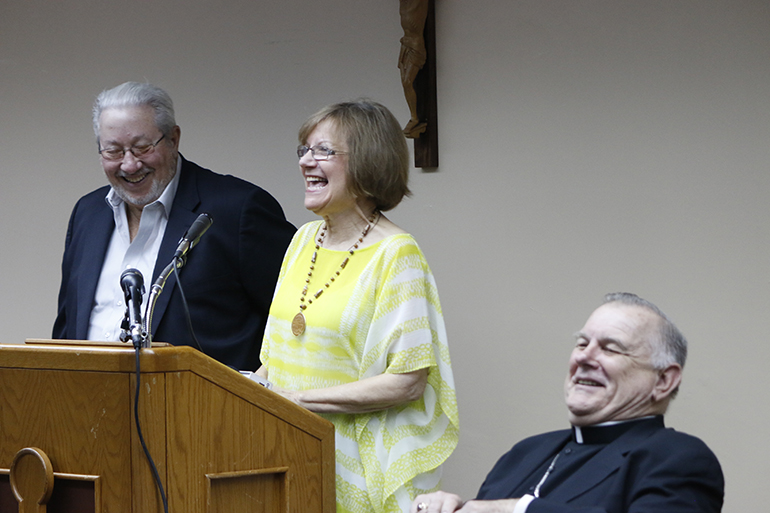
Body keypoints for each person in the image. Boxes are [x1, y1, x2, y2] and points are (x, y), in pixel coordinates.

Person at [255, 100, 459, 512]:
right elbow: (277, 358)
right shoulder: (302, 242)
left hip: (354, 467)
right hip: (281, 453)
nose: (306, 162)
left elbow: (407, 381)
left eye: (323, 151)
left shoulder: (396, 254)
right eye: (304, 150)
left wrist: (297, 402)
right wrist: (250, 388)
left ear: (367, 163)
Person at [53, 81, 295, 370]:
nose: (129, 165)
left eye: (142, 148)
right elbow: (67, 329)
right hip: (91, 405)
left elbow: (294, 321)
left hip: (203, 409)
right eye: (113, 152)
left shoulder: (238, 210)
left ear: (173, 139)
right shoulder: (87, 213)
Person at [411, 292, 724, 513]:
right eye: (582, 343)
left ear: (664, 380)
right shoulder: (524, 453)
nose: (584, 357)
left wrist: (520, 509)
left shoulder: (678, 457)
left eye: (611, 349)